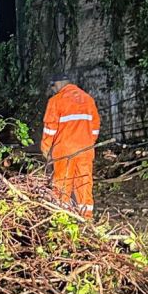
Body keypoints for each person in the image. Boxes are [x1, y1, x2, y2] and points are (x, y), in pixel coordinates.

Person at [40, 73, 100, 219]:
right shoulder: (88, 99)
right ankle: (86, 217)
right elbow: (95, 127)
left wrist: (46, 149)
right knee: (84, 181)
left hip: (64, 149)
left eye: (53, 86)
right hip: (85, 149)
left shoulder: (56, 101)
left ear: (58, 84)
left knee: (62, 182)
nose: (53, 90)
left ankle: (62, 216)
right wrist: (88, 142)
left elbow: (50, 129)